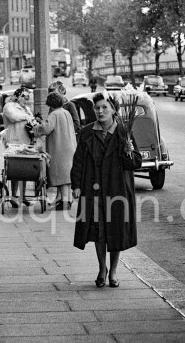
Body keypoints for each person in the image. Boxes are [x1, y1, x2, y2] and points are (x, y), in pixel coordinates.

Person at [71, 92, 142, 289]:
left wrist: (128, 150)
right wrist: (76, 185)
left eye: (104, 107)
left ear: (113, 110)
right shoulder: (86, 132)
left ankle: (114, 272)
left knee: (116, 230)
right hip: (93, 190)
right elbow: (78, 161)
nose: (100, 111)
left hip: (117, 189)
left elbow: (135, 162)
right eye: (97, 108)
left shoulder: (123, 132)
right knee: (98, 231)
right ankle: (102, 269)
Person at [31, 92, 77, 210]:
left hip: (59, 147)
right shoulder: (66, 112)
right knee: (67, 176)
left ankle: (65, 202)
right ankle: (67, 200)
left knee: (60, 175)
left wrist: (36, 128)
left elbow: (47, 128)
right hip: (69, 146)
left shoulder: (54, 114)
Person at [2, 87, 35, 207]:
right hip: (13, 142)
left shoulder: (27, 108)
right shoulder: (9, 106)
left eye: (27, 97)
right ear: (17, 96)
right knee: (15, 170)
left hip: (25, 141)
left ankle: (23, 196)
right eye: (23, 96)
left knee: (25, 170)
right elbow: (13, 117)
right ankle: (14, 196)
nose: (26, 99)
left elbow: (32, 120)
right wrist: (27, 117)